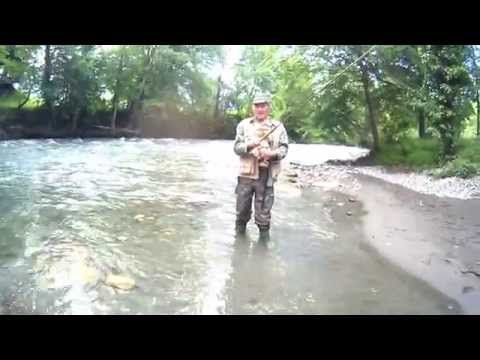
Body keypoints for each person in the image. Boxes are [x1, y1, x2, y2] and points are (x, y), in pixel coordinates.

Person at [233, 93, 289, 240]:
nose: (260, 109)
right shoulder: (243, 125)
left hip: (267, 177)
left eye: (263, 105)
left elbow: (284, 149)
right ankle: (239, 250)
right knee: (241, 214)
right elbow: (236, 148)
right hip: (246, 175)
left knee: (264, 217)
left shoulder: (278, 127)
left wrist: (271, 154)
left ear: (268, 107)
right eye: (257, 106)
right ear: (253, 107)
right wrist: (250, 146)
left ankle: (263, 251)